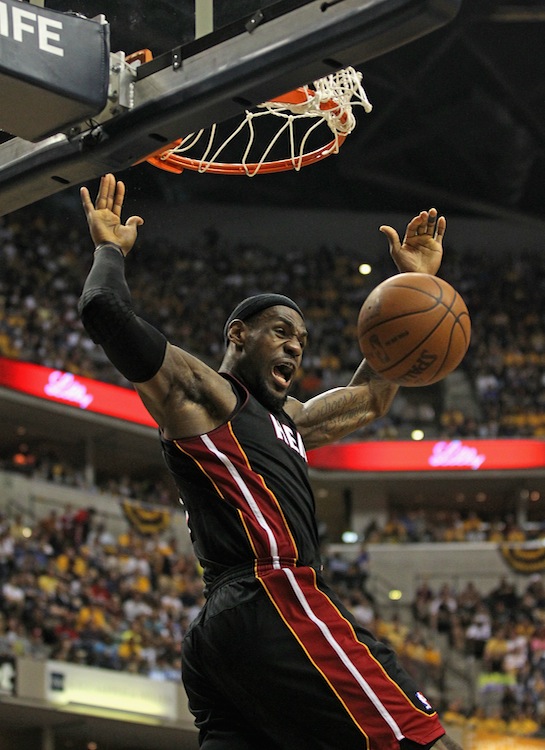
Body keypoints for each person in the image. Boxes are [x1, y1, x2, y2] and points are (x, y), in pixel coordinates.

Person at [78, 173, 462, 750]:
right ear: (237, 333)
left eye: (301, 341)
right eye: (280, 333)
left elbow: (374, 396)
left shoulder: (292, 421)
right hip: (274, 596)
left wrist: (416, 282)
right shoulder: (206, 396)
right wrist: (109, 247)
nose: (294, 347)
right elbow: (104, 307)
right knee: (419, 739)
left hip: (222, 638)